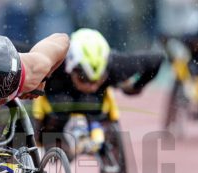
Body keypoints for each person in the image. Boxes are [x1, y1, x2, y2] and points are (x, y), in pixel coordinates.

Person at [33, 28, 164, 158]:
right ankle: (56, 142)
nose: (92, 86)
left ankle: (96, 133)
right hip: (56, 110)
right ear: (71, 67)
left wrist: (135, 87)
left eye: (98, 78)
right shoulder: (53, 65)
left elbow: (156, 59)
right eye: (85, 78)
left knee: (90, 101)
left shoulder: (115, 65)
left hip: (95, 109)